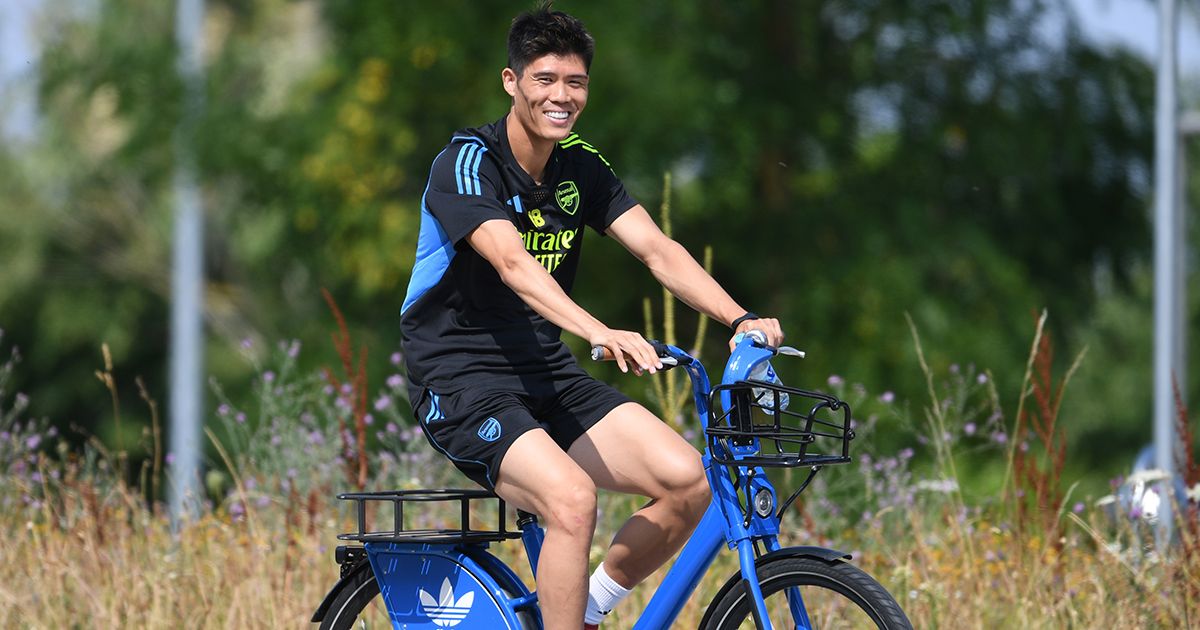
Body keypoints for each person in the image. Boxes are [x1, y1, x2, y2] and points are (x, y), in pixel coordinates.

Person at [399, 4, 783, 628]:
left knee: (691, 481)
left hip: (545, 372)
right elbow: (516, 267)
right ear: (511, 81)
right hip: (461, 380)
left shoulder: (579, 164)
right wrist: (600, 331)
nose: (561, 96)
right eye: (544, 80)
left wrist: (741, 318)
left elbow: (657, 250)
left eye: (574, 83)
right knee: (573, 501)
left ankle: (586, 610)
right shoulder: (466, 164)